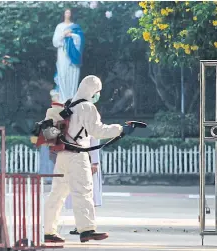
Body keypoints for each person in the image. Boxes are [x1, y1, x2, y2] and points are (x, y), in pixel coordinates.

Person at [43, 75, 134, 243]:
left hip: (62, 156)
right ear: (93, 91)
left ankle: (49, 232)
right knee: (83, 192)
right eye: (97, 91)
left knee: (56, 194)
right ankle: (87, 230)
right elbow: (98, 131)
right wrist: (121, 129)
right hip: (78, 156)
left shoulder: (68, 104)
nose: (97, 95)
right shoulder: (87, 107)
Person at [52, 8, 85, 103]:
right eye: (66, 12)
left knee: (72, 73)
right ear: (63, 14)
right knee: (63, 74)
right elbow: (55, 42)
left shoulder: (75, 27)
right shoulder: (59, 26)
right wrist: (63, 34)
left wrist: (72, 35)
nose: (68, 14)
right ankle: (63, 99)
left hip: (73, 55)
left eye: (69, 12)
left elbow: (80, 40)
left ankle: (72, 98)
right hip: (62, 53)